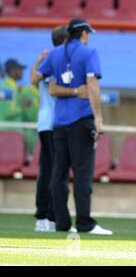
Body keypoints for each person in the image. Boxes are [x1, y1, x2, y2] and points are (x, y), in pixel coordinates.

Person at [37, 18, 112, 235]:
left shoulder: (55, 54)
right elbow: (93, 86)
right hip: (81, 121)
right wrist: (98, 118)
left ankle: (61, 224)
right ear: (84, 34)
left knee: (59, 174)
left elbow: (50, 87)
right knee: (82, 174)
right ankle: (84, 223)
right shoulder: (89, 53)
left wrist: (69, 91)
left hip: (58, 123)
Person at [31, 26, 88, 232]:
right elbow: (55, 89)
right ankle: (52, 217)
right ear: (66, 41)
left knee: (47, 171)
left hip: (44, 123)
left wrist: (38, 61)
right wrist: (77, 91)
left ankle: (43, 217)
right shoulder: (59, 61)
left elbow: (33, 79)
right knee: (57, 173)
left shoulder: (49, 61)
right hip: (56, 124)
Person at [0, 59, 25, 129]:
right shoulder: (7, 87)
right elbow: (8, 111)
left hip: (9, 129)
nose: (22, 72)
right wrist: (23, 106)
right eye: (20, 69)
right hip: (9, 130)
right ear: (12, 70)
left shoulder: (10, 86)